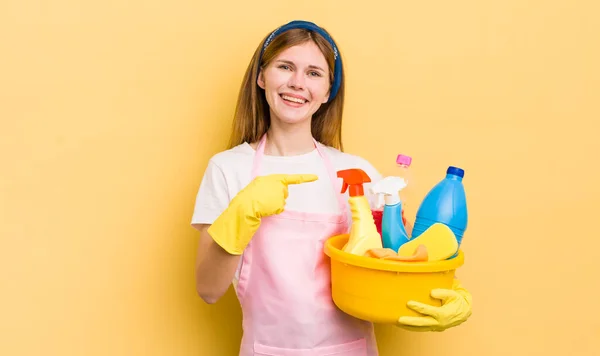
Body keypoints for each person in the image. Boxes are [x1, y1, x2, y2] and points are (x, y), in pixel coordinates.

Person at [191, 20, 472, 355]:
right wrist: (239, 214)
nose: (297, 83)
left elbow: (405, 259)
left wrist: (448, 291)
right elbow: (208, 289)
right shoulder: (228, 168)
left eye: (314, 73)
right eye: (285, 67)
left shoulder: (357, 172)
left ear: (328, 91)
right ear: (261, 77)